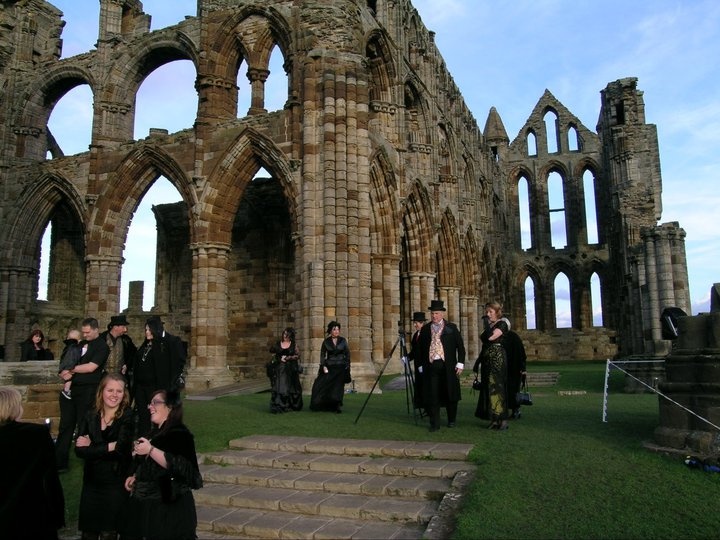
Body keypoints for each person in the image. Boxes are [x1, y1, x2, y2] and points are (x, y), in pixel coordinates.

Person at [120, 389, 202, 540]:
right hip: (148, 504)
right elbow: (149, 466)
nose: (150, 406)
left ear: (170, 407)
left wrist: (150, 450)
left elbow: (181, 467)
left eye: (155, 402)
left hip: (170, 507)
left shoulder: (180, 433)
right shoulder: (154, 433)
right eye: (150, 403)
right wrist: (135, 476)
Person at [75, 373, 135, 540]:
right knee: (89, 533)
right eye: (110, 390)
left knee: (109, 532)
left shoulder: (128, 416)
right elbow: (79, 450)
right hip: (91, 483)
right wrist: (110, 446)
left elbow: (121, 450)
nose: (114, 395)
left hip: (115, 483)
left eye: (119, 391)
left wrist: (92, 448)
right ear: (101, 391)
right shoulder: (90, 414)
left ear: (124, 394)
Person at [0, 386, 65, 539]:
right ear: (15, 407)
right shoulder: (37, 434)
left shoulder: (36, 434)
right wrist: (57, 515)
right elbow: (50, 479)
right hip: (33, 515)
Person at [56, 317, 110, 471]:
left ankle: (86, 458)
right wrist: (64, 371)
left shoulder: (102, 347)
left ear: (95, 330)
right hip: (70, 390)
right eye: (83, 332)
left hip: (88, 390)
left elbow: (91, 367)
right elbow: (67, 359)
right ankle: (60, 462)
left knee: (84, 426)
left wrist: (71, 369)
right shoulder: (80, 344)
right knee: (65, 426)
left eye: (87, 332)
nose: (85, 335)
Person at [132, 316, 186, 437]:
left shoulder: (171, 341)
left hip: (157, 387)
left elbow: (178, 362)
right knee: (143, 415)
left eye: (149, 329)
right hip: (141, 387)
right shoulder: (145, 345)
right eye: (145, 330)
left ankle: (160, 439)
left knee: (159, 414)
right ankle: (143, 440)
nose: (146, 332)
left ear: (155, 329)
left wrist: (171, 385)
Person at [417, 300, 465, 432]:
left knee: (450, 392)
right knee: (433, 394)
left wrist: (460, 363)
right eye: (432, 313)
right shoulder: (426, 329)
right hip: (431, 366)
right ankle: (435, 424)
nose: (434, 316)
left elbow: (460, 347)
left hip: (448, 365)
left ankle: (451, 420)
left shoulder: (451, 328)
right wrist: (421, 365)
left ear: (442, 313)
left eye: (437, 313)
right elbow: (420, 349)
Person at [474, 301, 511, 430]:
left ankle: (503, 419)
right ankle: (494, 418)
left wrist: (486, 324)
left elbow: (491, 337)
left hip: (497, 359)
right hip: (487, 359)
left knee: (497, 388)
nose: (488, 314)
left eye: (490, 312)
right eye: (487, 311)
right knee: (488, 389)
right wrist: (478, 362)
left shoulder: (503, 323)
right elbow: (485, 344)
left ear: (497, 312)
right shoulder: (490, 325)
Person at [310, 321, 351, 413]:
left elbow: (347, 354)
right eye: (334, 329)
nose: (336, 331)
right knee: (320, 385)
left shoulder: (343, 341)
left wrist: (347, 365)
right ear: (330, 331)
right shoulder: (326, 342)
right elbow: (322, 355)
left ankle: (337, 406)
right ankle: (322, 404)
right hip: (330, 367)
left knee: (338, 388)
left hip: (340, 367)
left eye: (338, 329)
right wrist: (323, 366)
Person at [267, 327, 303, 413]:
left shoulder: (293, 344)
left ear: (291, 336)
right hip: (281, 369)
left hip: (291, 369)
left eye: (287, 335)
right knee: (281, 386)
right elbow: (272, 352)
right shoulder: (278, 344)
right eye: (284, 334)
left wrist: (288, 358)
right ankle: (280, 405)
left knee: (292, 386)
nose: (285, 336)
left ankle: (291, 404)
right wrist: (279, 358)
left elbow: (297, 356)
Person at [405, 311, 427, 416]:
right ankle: (422, 406)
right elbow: (415, 351)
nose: (414, 325)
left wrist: (424, 365)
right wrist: (408, 358)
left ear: (422, 323)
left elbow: (427, 351)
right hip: (418, 366)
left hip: (425, 366)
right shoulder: (415, 335)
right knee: (419, 387)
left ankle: (429, 409)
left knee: (426, 387)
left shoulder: (427, 334)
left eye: (416, 323)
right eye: (414, 323)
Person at [504, 328, 528, 420]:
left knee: (513, 391)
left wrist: (523, 368)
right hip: (511, 369)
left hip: (513, 370)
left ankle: (515, 411)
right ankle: (513, 411)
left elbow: (521, 354)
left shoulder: (512, 337)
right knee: (510, 391)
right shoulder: (509, 337)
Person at [58, 328, 82, 400]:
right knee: (69, 378)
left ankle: (66, 390)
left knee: (68, 379)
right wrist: (69, 368)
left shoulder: (68, 347)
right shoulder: (74, 348)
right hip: (69, 367)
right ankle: (66, 390)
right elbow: (72, 359)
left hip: (65, 366)